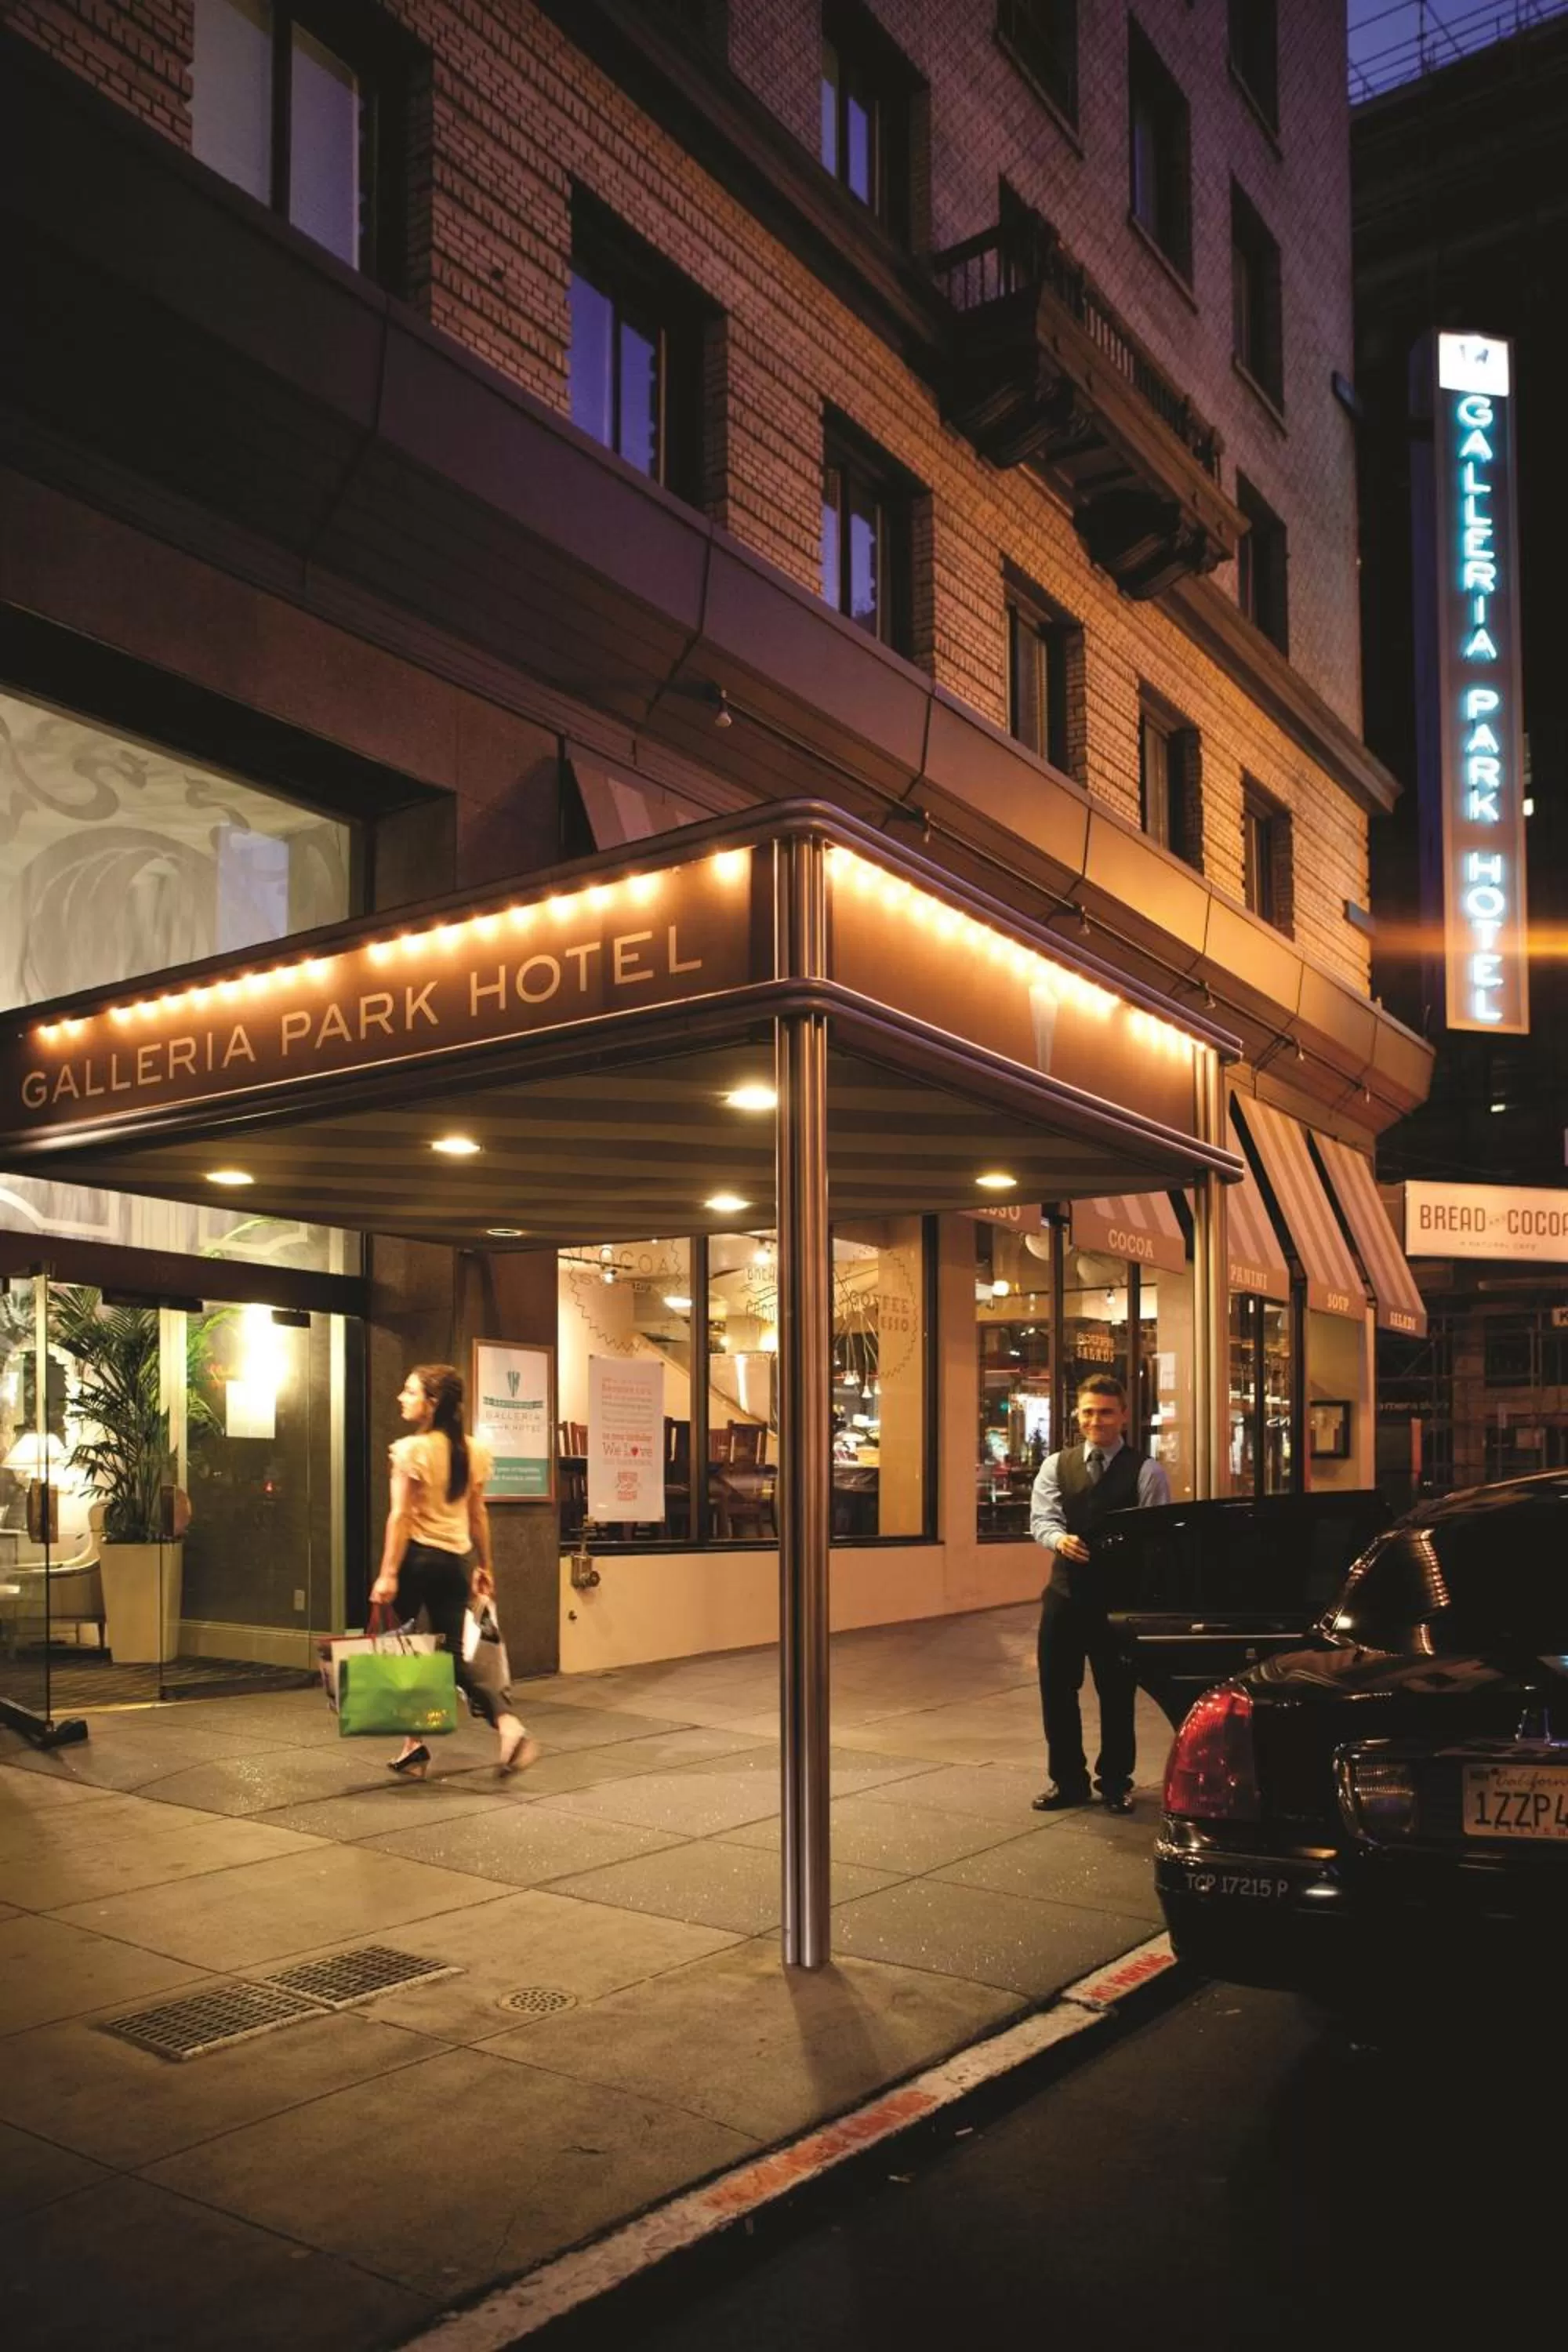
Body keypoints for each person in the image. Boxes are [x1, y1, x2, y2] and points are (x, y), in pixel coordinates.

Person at [371, 1362, 539, 1780]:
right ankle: (504, 1724)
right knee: (447, 1654)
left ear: (433, 1403)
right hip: (452, 1564)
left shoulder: (412, 1451)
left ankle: (416, 1743)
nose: (401, 1398)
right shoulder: (473, 1451)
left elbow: (400, 1517)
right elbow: (477, 1513)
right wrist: (485, 1564)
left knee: (395, 1649)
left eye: (410, 1392)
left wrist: (388, 1573)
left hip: (416, 1561)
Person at [1029, 1373, 1169, 1816]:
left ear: (1124, 1415)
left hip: (1117, 1603)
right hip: (1064, 1597)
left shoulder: (1146, 1470)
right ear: (1078, 1413)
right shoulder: (1056, 1465)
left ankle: (1115, 1783)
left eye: (1106, 1412)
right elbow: (1042, 1520)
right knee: (1057, 1691)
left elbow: (1156, 1534)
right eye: (1088, 1411)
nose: (1096, 1420)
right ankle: (1067, 1781)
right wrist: (1058, 1540)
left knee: (1116, 1694)